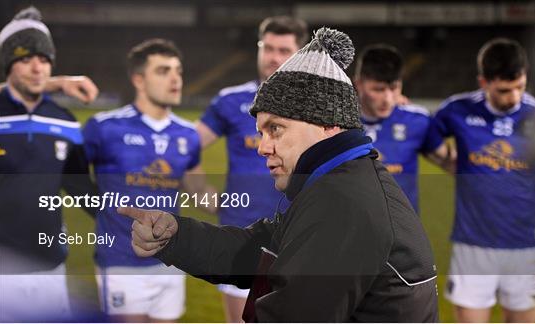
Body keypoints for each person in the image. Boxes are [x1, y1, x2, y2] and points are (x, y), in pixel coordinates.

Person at [119, 28, 439, 322]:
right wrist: (177, 236)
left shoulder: (344, 204)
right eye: (261, 132)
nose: (263, 147)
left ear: (327, 123)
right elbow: (260, 252)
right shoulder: (336, 183)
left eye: (275, 129)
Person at [83, 38, 216, 322]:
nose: (175, 78)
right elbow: (69, 173)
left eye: (178, 71)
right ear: (138, 80)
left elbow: (197, 187)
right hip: (121, 263)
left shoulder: (187, 134)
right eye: (163, 71)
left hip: (169, 261)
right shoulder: (105, 128)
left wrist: (236, 206)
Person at [195, 15, 308, 322]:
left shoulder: (316, 104)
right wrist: (201, 194)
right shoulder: (231, 101)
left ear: (300, 53)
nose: (273, 57)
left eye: (283, 50)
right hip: (242, 236)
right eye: (267, 48)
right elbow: (185, 146)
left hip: (301, 236)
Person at [426, 38, 535, 322]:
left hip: (527, 245)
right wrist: (448, 161)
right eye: (503, 90)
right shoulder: (457, 110)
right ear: (483, 82)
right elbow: (426, 136)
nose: (513, 97)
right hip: (473, 244)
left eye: (519, 87)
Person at [0, 6, 97, 321]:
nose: (37, 68)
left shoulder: (66, 121)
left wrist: (125, 216)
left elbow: (80, 187)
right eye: (26, 59)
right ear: (8, 64)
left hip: (50, 265)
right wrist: (60, 82)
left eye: (44, 60)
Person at [353, 44, 447, 212]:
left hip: (402, 230)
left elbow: (449, 160)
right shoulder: (337, 122)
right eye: (378, 89)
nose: (388, 99)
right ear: (359, 84)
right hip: (355, 227)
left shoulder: (417, 120)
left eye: (394, 88)